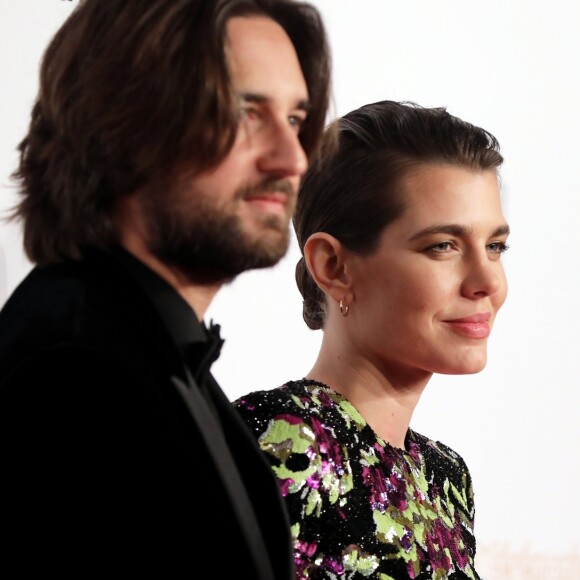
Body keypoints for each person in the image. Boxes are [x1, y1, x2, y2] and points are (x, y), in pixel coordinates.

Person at [0, 0, 332, 576]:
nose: (292, 158)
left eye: (296, 120)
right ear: (124, 124)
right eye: (246, 113)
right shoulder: (73, 375)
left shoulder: (150, 351)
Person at [234, 100, 510, 579]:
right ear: (334, 267)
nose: (486, 280)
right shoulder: (281, 443)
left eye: (495, 246)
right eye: (442, 246)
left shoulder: (446, 477)